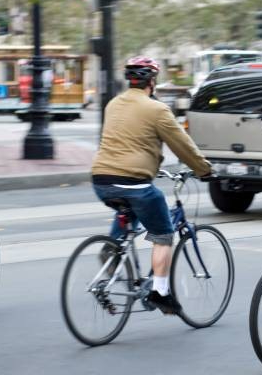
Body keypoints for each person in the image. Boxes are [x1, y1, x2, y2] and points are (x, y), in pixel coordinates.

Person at [91, 56, 212, 315]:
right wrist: (204, 169)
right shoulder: (156, 109)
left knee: (131, 209)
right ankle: (160, 292)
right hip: (133, 182)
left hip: (101, 180)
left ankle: (113, 249)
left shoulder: (113, 104)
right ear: (152, 81)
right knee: (163, 234)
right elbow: (182, 145)